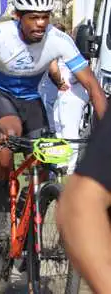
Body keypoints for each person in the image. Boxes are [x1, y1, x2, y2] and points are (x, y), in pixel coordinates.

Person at [0, 0, 107, 240]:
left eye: (45, 17)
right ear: (18, 16)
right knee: (8, 136)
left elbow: (92, 87)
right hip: (0, 97)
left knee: (47, 160)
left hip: (31, 100)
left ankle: (27, 217)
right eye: (33, 17)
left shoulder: (58, 40)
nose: (41, 23)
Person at [56, 108, 111, 293]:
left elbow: (94, 89)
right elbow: (80, 201)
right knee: (8, 142)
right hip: (7, 101)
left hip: (34, 107)